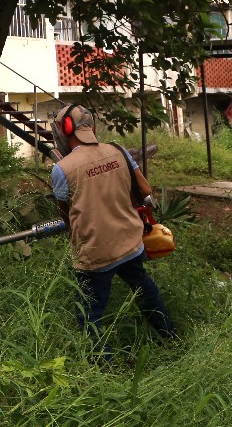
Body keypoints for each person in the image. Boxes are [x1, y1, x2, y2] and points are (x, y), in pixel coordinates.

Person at [49, 103, 176, 351]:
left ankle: (102, 371)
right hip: (130, 242)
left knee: (89, 313)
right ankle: (171, 337)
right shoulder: (118, 151)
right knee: (145, 290)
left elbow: (66, 214)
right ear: (92, 126)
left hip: (96, 252)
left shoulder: (61, 169)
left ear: (64, 130)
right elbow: (145, 191)